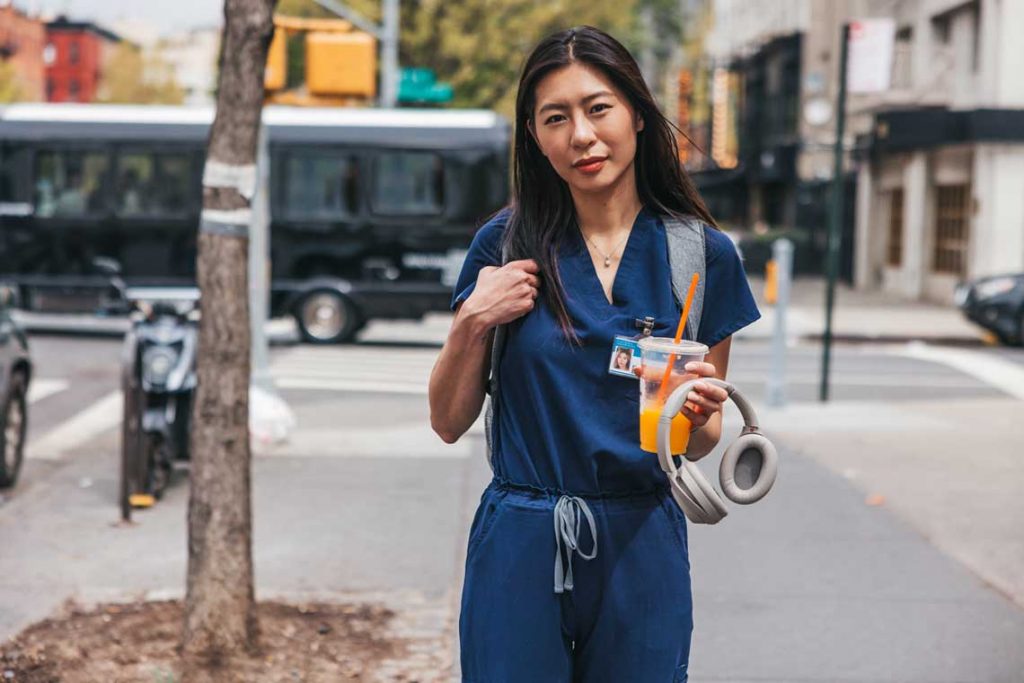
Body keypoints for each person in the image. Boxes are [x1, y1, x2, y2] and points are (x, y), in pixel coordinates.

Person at [428, 26, 760, 682]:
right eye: (557, 117)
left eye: (597, 107)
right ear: (534, 134)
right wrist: (473, 318)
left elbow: (697, 441)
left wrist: (699, 412)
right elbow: (445, 420)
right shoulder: (503, 247)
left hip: (642, 542)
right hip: (521, 540)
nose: (581, 135)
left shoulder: (700, 257)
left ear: (636, 111)